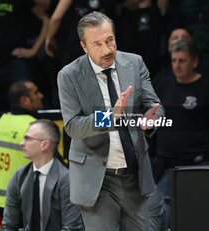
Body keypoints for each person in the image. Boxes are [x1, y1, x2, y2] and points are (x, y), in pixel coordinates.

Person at [57, 11, 164, 231]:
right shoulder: (69, 75)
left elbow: (154, 105)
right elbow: (73, 127)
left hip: (134, 175)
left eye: (110, 40)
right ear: (84, 47)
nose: (107, 50)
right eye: (97, 44)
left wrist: (151, 121)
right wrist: (110, 117)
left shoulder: (134, 63)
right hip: (98, 180)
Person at [155, 39, 209, 227]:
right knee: (160, 215)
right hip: (167, 165)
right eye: (174, 61)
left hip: (199, 162)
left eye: (182, 61)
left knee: (198, 213)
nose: (176, 65)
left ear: (194, 62)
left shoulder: (207, 87)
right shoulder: (164, 84)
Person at [2, 119, 84, 231]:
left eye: (28, 139)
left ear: (44, 145)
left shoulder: (67, 179)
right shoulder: (19, 176)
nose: (22, 143)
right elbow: (9, 225)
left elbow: (72, 227)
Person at [0, 0, 49, 113]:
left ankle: (30, 130)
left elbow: (46, 19)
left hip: (15, 62)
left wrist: (33, 50)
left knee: (24, 107)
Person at [0, 81, 44, 220]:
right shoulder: (34, 127)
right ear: (25, 100)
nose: (41, 95)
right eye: (36, 92)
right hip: (25, 202)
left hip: (0, 201)